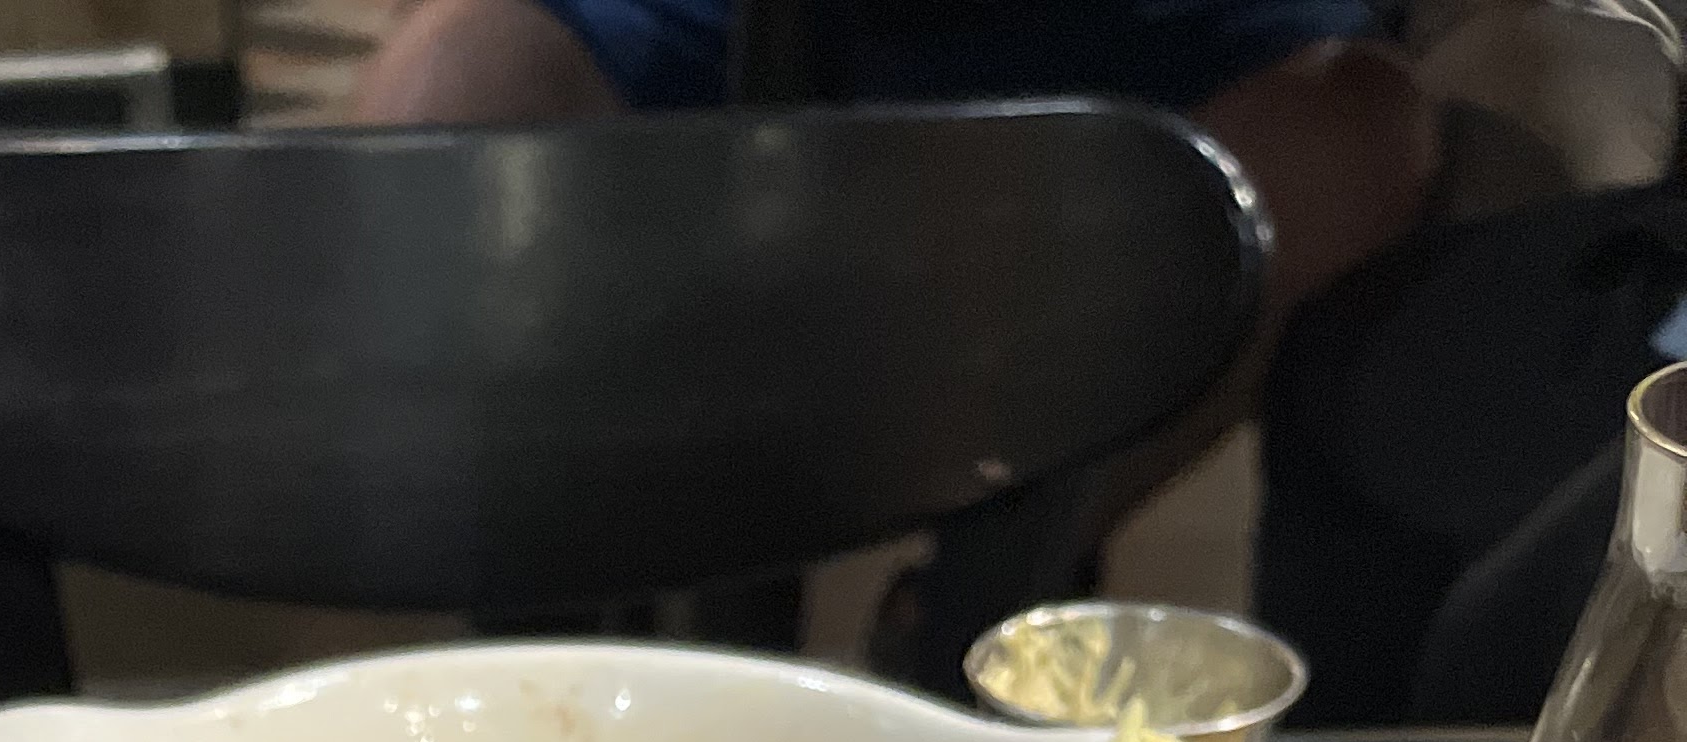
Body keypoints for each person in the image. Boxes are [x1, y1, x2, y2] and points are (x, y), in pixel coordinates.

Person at [351, 1, 1443, 332]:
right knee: (450, 89)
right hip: (703, 23)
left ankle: (998, 573)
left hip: (1149, 33)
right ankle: (552, 610)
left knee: (1355, 133)